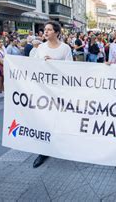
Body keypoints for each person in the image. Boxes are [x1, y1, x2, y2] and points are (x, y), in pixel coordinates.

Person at [32, 21, 72, 169]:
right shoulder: (40, 48)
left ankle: (60, 145)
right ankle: (44, 150)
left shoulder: (65, 48)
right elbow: (33, 66)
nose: (45, 32)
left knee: (59, 119)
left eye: (49, 30)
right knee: (44, 119)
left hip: (59, 90)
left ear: (56, 32)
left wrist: (55, 63)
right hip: (44, 90)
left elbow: (71, 68)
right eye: (45, 30)